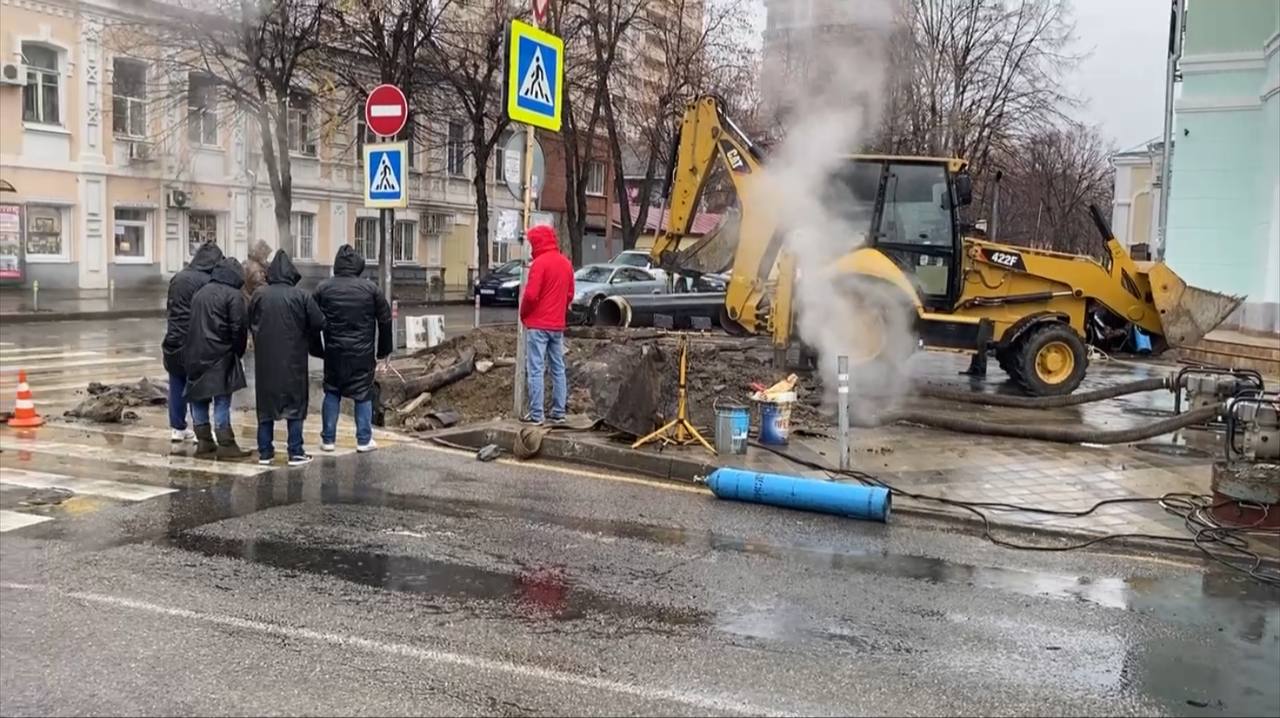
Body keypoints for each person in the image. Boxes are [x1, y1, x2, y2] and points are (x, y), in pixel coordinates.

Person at [248, 250, 325, 466]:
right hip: (294, 360)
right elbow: (319, 322)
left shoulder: (259, 295)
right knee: (295, 405)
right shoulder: (301, 296)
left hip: (265, 362)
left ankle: (265, 452)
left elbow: (250, 320)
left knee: (265, 407)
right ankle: (295, 451)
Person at [314, 245, 392, 452]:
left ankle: (328, 440)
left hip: (334, 352)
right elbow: (385, 320)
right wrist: (383, 351)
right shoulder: (371, 290)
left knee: (332, 392)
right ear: (359, 266)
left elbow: (311, 321)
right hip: (362, 353)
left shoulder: (323, 288)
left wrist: (317, 349)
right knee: (362, 394)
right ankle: (364, 440)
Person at [184, 256, 251, 459]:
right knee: (221, 399)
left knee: (199, 398)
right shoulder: (234, 295)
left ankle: (204, 442)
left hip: (195, 353)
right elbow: (239, 328)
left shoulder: (201, 292)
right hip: (221, 355)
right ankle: (226, 444)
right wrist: (237, 352)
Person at [161, 241, 224, 443]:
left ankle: (177, 428)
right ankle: (201, 430)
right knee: (198, 385)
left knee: (177, 383)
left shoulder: (178, 277)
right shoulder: (208, 281)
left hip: (173, 338)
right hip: (196, 341)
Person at [519, 225, 574, 425]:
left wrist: (524, 314)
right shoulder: (566, 264)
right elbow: (569, 294)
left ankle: (536, 415)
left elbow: (531, 295)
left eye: (532, 243)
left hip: (537, 325)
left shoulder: (539, 264)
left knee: (535, 369)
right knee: (558, 368)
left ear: (538, 243)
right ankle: (559, 412)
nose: (531, 247)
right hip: (556, 325)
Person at [242, 239, 272, 304]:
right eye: (265, 255)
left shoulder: (245, 264)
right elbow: (262, 288)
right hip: (254, 302)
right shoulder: (257, 270)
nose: (266, 258)